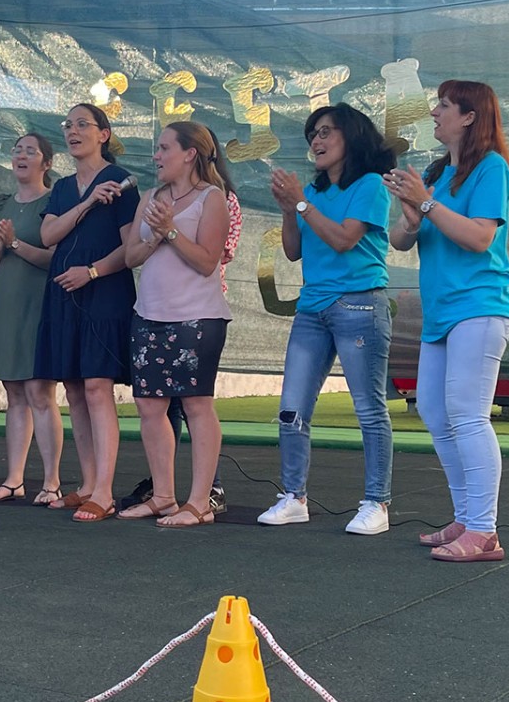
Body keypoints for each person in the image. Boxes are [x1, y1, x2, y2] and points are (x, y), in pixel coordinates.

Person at [387, 80, 509, 561]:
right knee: (434, 411)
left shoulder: (492, 168)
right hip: (442, 312)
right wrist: (411, 216)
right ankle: (467, 517)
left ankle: (484, 530)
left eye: (443, 105)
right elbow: (401, 241)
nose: (434, 112)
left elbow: (480, 238)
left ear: (469, 116)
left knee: (466, 414)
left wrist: (426, 203)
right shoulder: (436, 173)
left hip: (480, 306)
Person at [259, 103, 397, 534]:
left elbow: (343, 239)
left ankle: (377, 502)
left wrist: (300, 203)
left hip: (359, 305)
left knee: (368, 408)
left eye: (325, 132)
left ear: (351, 136)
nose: (316, 141)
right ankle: (293, 496)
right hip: (312, 309)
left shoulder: (371, 184)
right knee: (291, 408)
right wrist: (289, 208)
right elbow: (293, 251)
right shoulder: (314, 193)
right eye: (312, 135)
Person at [119, 122, 233, 527]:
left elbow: (207, 262)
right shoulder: (150, 198)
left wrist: (169, 230)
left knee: (196, 404)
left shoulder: (212, 198)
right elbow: (131, 256)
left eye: (164, 148)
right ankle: (164, 497)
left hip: (197, 317)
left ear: (190, 154)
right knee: (149, 406)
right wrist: (155, 235)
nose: (156, 156)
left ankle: (199, 502)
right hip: (148, 313)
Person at [33, 103, 138, 522]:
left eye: (83, 124)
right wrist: (89, 202)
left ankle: (106, 491)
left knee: (96, 385)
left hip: (104, 291)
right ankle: (88, 484)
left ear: (104, 134)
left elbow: (131, 249)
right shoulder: (62, 188)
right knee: (74, 387)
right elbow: (48, 235)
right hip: (63, 293)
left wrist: (92, 272)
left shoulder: (121, 181)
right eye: (68, 125)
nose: (73, 131)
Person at [0, 132, 64, 506]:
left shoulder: (53, 203)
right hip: (5, 304)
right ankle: (14, 480)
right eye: (17, 151)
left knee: (39, 392)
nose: (21, 156)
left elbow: (55, 259)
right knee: (14, 392)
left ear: (47, 162)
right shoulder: (0, 205)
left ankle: (52, 481)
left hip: (39, 304)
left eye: (31, 151)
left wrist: (15, 243)